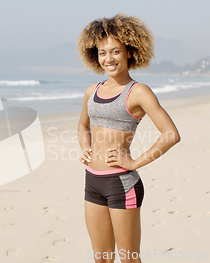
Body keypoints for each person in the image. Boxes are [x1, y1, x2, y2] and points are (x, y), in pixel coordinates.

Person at [77, 14, 181, 263]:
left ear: (129, 53)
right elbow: (82, 125)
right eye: (102, 53)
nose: (108, 59)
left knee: (128, 259)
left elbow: (171, 135)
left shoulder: (139, 92)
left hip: (121, 185)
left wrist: (134, 163)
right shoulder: (92, 90)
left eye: (115, 52)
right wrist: (85, 148)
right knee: (101, 258)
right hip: (92, 182)